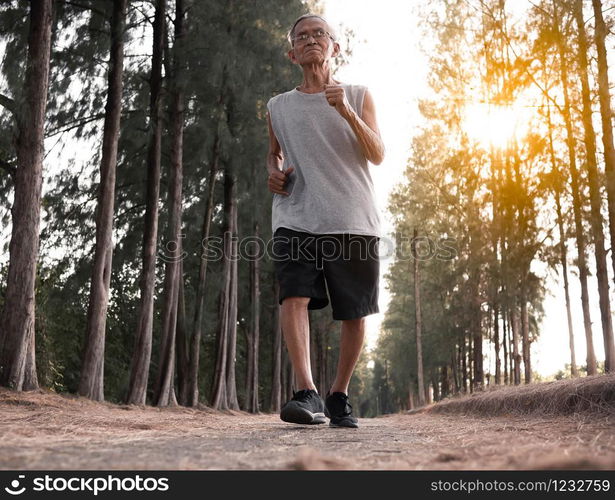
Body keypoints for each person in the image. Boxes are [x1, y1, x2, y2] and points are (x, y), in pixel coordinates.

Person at [265, 13, 384, 428]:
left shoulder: (359, 93)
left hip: (352, 216)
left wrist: (347, 111)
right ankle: (307, 391)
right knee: (292, 296)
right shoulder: (277, 106)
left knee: (354, 312)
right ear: (292, 53)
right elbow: (274, 153)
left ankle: (338, 395)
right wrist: (273, 172)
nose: (312, 39)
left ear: (335, 47)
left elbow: (377, 153)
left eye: (320, 34)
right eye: (302, 36)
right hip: (296, 215)